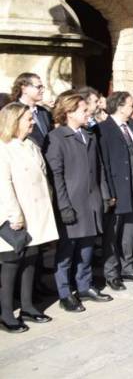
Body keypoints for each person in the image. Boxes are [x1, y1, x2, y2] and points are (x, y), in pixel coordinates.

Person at [45, 90, 112, 312]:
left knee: (87, 249)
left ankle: (84, 286)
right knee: (66, 252)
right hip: (72, 204)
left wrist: (104, 195)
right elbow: (56, 176)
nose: (88, 113)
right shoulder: (56, 138)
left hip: (91, 203)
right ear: (69, 112)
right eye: (83, 110)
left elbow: (99, 169)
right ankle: (65, 293)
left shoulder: (89, 136)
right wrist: (64, 206)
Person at [0, 103, 59, 332]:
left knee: (31, 260)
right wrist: (14, 215)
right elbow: (3, 185)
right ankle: (6, 314)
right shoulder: (4, 148)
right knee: (11, 264)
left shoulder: (31, 144)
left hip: (35, 213)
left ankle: (27, 306)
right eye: (28, 119)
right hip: (14, 215)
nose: (33, 122)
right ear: (14, 122)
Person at [97, 91, 133, 291]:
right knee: (113, 235)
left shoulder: (132, 127)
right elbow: (103, 164)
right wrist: (109, 193)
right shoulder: (102, 129)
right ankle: (112, 273)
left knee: (129, 232)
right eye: (130, 104)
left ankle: (127, 268)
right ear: (120, 106)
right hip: (117, 190)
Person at [10, 72, 52, 148]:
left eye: (42, 87)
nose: (42, 91)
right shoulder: (13, 112)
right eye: (38, 87)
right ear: (24, 89)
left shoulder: (44, 112)